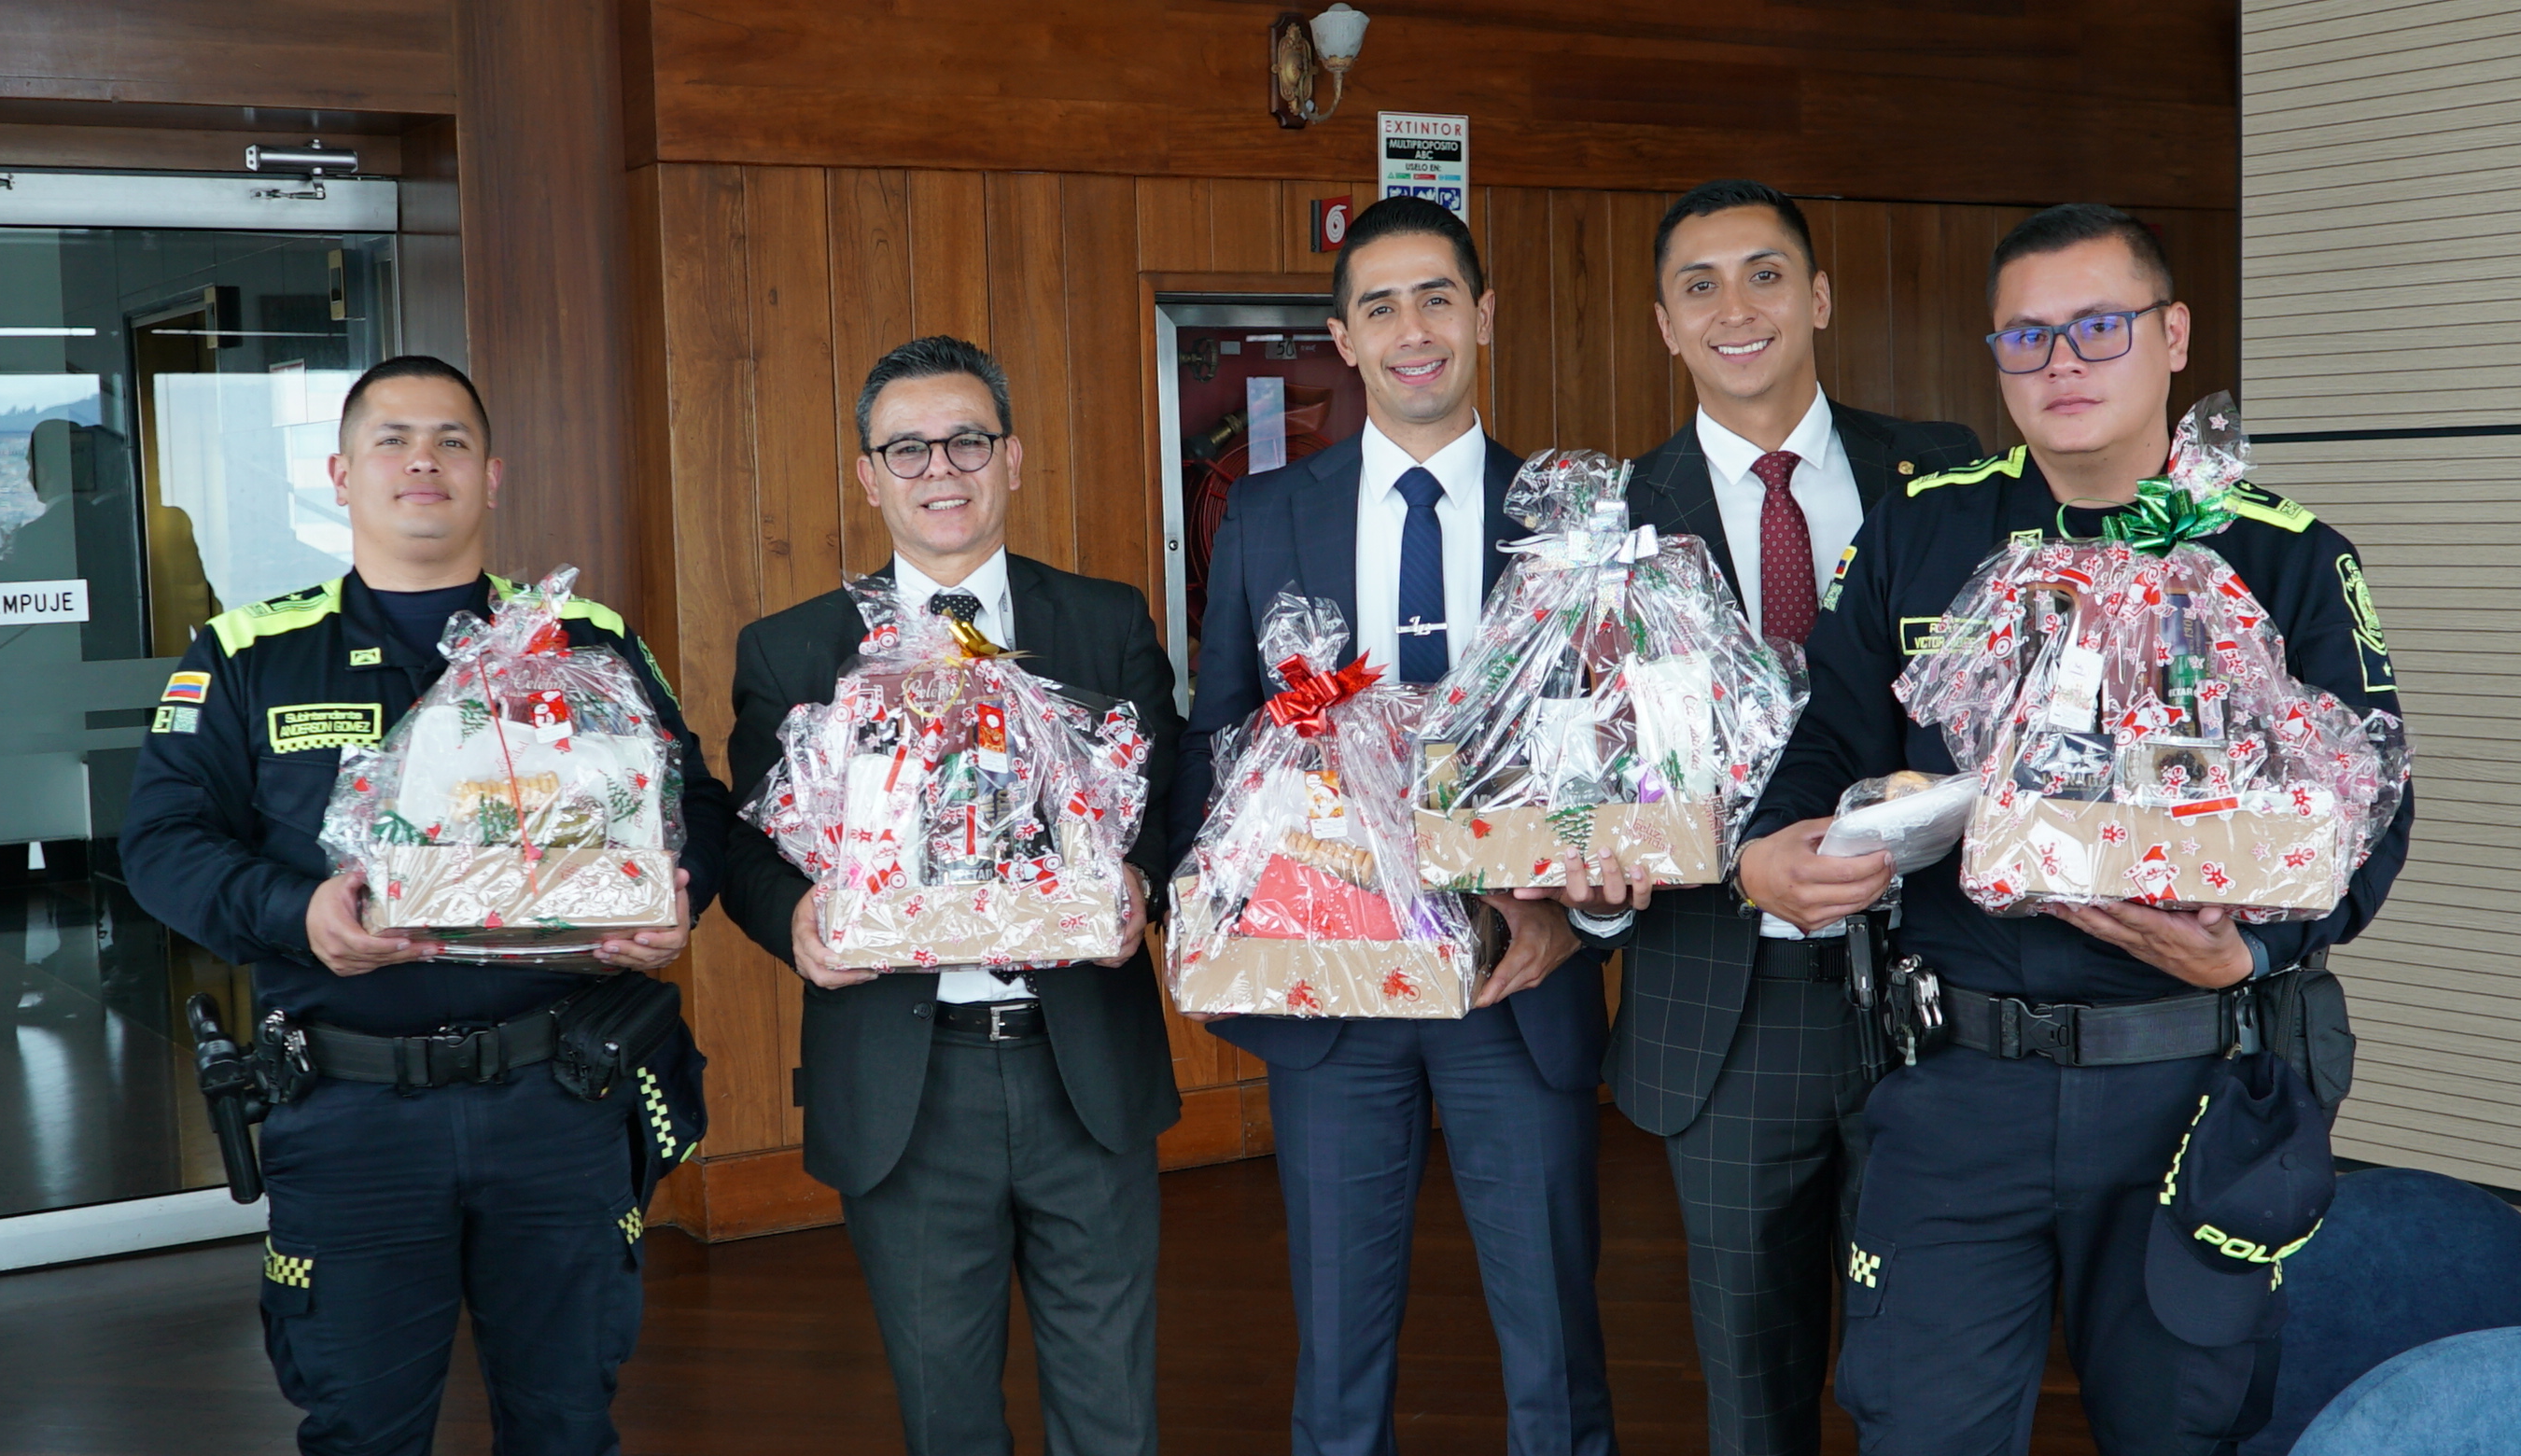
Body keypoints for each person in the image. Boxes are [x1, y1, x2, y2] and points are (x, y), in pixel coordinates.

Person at [1733, 204, 2412, 1453]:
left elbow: (2374, 802)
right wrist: (1765, 850)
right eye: (2026, 336)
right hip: (1957, 1079)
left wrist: (2253, 951)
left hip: (2191, 1081)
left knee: (2181, 1428)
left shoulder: (2284, 556)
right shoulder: (1921, 531)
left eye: (2100, 326)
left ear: (2174, 336)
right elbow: (1824, 738)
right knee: (1918, 1427)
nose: (2061, 362)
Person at [120, 356, 730, 1455]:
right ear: (339, 475)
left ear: (491, 476)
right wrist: (300, 913)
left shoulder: (584, 640)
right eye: (391, 439)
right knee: (360, 1426)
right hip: (349, 1109)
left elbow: (696, 806)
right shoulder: (250, 653)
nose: (422, 461)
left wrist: (676, 897)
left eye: (452, 440)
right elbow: (162, 846)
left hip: (560, 1096)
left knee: (567, 1423)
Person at [1171, 195, 1618, 1456]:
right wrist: (1218, 910)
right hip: (1330, 991)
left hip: (1518, 981)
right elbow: (1221, 733)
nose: (1412, 329)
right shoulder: (1267, 515)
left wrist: (1582, 918)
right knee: (1337, 1356)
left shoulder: (1568, 517)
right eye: (1380, 307)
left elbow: (1627, 752)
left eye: (1437, 298)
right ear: (1344, 338)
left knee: (1555, 1348)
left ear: (1483, 315)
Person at [1545, 179, 1981, 1456]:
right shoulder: (1605, 529)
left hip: (1940, 991)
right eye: (1699, 286)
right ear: (1663, 325)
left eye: (1765, 274)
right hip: (1725, 1015)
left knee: (1937, 1382)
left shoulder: (1947, 477)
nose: (1735, 308)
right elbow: (1577, 778)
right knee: (1754, 1399)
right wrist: (1594, 890)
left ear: (1820, 298)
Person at [718, 336, 1184, 1456]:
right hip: (904, 1082)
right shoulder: (792, 649)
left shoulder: (1105, 620)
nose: (941, 469)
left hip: (1084, 1066)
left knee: (1114, 1413)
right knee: (946, 1418)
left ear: (1010, 459)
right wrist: (792, 919)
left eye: (967, 441)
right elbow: (745, 844)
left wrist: (1139, 882)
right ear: (868, 474)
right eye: (908, 449)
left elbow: (1170, 802)